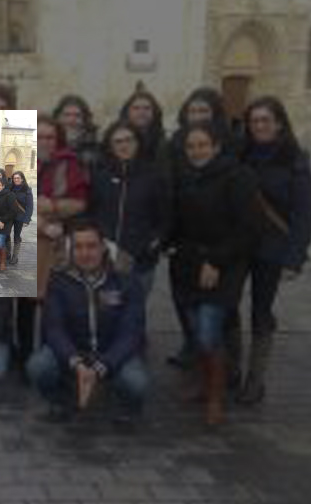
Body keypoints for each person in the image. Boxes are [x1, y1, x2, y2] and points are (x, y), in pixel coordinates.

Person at [169, 123, 261, 426]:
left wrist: (216, 261)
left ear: (216, 146)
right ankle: (205, 385)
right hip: (187, 266)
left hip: (224, 265)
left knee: (210, 330)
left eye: (202, 144)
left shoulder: (237, 176)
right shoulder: (184, 177)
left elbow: (247, 227)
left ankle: (215, 398)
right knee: (197, 331)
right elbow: (177, 222)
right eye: (191, 146)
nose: (196, 151)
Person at [27, 221, 149, 425]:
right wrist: (76, 362)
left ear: (103, 248)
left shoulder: (126, 279)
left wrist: (103, 365)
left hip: (113, 351)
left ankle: (128, 408)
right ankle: (61, 401)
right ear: (71, 250)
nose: (85, 253)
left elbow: (131, 332)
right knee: (38, 365)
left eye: (91, 246)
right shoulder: (59, 279)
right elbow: (54, 328)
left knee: (136, 382)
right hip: (76, 350)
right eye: (79, 247)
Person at [235, 97, 311, 404]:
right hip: (239, 245)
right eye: (254, 121)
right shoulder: (242, 155)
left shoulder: (296, 159)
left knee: (260, 311)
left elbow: (304, 214)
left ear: (279, 123)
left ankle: (255, 380)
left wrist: (294, 258)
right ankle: (230, 368)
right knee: (227, 304)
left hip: (272, 248)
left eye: (265, 120)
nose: (260, 126)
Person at [89, 121, 170, 300]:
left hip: (141, 261)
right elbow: (92, 213)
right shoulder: (100, 177)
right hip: (105, 259)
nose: (124, 145)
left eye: (128, 140)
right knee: (107, 313)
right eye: (118, 141)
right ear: (110, 146)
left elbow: (165, 217)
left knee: (134, 314)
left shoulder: (154, 176)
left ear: (137, 143)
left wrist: (151, 245)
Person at [37, 114, 88, 298]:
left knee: (55, 300)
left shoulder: (69, 163)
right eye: (39, 137)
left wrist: (52, 205)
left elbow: (80, 203)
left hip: (57, 245)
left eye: (49, 137)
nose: (44, 142)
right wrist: (42, 224)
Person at [118, 82, 169, 170]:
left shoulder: (163, 145)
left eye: (147, 108)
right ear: (127, 112)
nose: (141, 112)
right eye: (136, 108)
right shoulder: (117, 139)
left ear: (154, 112)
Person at [53, 94, 100, 175]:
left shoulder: (94, 149)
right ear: (58, 118)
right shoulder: (48, 144)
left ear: (85, 119)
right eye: (67, 115)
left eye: (77, 115)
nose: (71, 120)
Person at [9, 171, 34, 266]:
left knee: (16, 235)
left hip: (20, 217)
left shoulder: (27, 189)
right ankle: (7, 253)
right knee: (6, 234)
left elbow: (30, 206)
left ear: (22, 179)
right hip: (10, 215)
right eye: (14, 178)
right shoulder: (10, 188)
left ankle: (15, 256)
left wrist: (27, 219)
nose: (16, 180)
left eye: (18, 178)